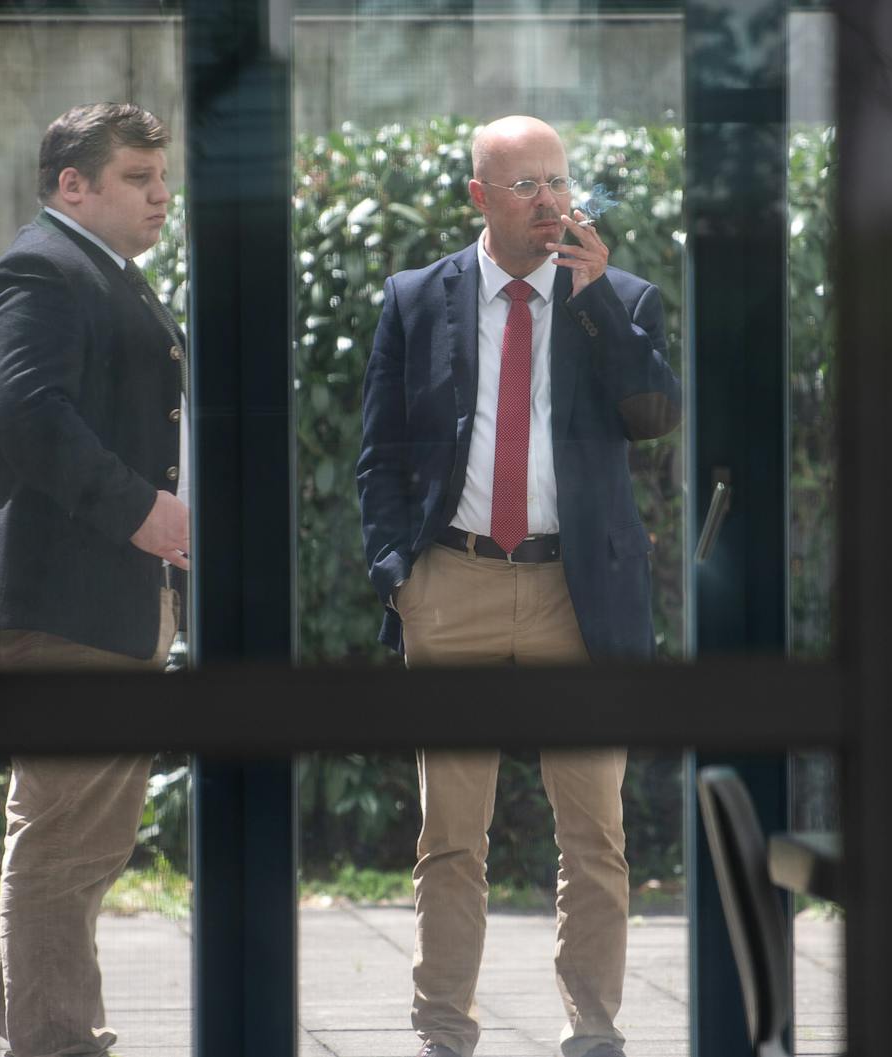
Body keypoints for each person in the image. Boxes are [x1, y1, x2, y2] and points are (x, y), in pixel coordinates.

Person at [357, 115, 680, 1057]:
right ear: (480, 197)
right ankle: (445, 1026)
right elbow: (380, 454)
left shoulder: (616, 297)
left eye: (559, 182)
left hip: (574, 594)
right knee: (451, 834)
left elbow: (653, 415)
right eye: (527, 185)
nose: (551, 201)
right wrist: (399, 577)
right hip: (451, 581)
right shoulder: (417, 299)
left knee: (594, 832)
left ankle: (595, 1025)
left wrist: (593, 301)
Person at [0, 102, 188, 1057]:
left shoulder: (102, 273)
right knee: (69, 846)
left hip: (102, 598)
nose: (163, 193)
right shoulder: (45, 269)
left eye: (162, 175)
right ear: (75, 185)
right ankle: (57, 1043)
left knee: (69, 838)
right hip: (71, 600)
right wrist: (141, 509)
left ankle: (43, 1029)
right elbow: (22, 410)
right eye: (139, 178)